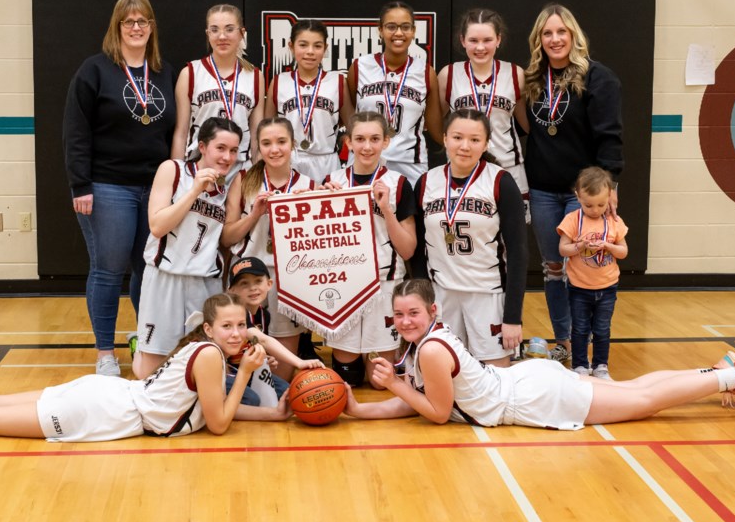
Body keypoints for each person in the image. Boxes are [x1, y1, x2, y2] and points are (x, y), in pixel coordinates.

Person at [344, 280, 735, 429]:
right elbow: (417, 404)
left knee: (643, 403)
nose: (404, 321)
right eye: (399, 314)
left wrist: (396, 383)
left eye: (413, 313)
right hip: (526, 383)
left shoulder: (432, 351)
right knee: (632, 389)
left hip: (534, 397)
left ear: (432, 311)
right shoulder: (423, 343)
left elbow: (436, 413)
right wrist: (359, 410)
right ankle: (720, 370)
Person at [0, 294, 292, 441]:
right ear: (211, 329)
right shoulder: (214, 357)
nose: (237, 333)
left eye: (241, 325)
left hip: (108, 397)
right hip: (105, 411)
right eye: (228, 326)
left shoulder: (203, 350)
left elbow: (218, 408)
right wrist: (249, 374)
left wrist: (272, 414)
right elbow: (219, 423)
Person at [63, 0, 178, 377]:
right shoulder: (94, 71)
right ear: (117, 26)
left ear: (151, 27)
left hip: (156, 190)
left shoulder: (163, 72)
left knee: (150, 272)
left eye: (142, 21)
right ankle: (105, 354)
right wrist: (81, 185)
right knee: (108, 271)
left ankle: (146, 345)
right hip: (108, 186)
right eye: (128, 21)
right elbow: (75, 133)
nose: (136, 28)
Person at [521, 4, 624, 364]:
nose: (555, 39)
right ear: (539, 40)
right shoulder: (532, 80)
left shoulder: (599, 78)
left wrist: (609, 186)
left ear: (574, 35)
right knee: (553, 266)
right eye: (547, 33)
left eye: (561, 31)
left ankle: (591, 343)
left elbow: (610, 137)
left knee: (585, 265)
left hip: (585, 196)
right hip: (543, 191)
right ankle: (564, 340)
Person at [130, 117, 243, 379]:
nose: (227, 157)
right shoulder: (174, 170)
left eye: (234, 150)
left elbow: (226, 241)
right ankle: (140, 349)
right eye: (221, 148)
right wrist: (193, 192)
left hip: (205, 282)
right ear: (202, 147)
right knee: (149, 374)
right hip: (165, 276)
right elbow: (157, 226)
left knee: (202, 365)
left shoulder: (230, 186)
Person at [413, 109, 527, 367]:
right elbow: (418, 249)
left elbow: (518, 253)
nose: (465, 146)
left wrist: (512, 318)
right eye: (457, 137)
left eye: (475, 140)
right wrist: (424, 299)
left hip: (487, 294)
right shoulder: (426, 182)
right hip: (442, 295)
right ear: (444, 139)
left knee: (496, 384)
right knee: (444, 376)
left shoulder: (501, 181)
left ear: (486, 143)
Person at [322, 112, 417, 387]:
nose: (367, 147)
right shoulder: (332, 180)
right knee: (346, 379)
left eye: (375, 139)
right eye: (360, 139)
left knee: (379, 382)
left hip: (383, 284)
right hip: (344, 287)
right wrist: (323, 202)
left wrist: (386, 208)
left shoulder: (398, 184)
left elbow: (408, 250)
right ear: (348, 142)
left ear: (386, 142)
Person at [221, 117, 315, 380]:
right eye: (266, 143)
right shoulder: (243, 180)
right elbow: (227, 238)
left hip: (290, 277)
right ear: (258, 147)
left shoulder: (307, 186)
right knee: (242, 356)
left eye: (281, 142)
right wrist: (254, 215)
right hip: (249, 275)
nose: (274, 149)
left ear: (293, 144)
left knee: (282, 374)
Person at [438, 8, 530, 221]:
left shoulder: (516, 74)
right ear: (463, 41)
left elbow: (526, 124)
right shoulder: (448, 75)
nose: (480, 47)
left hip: (508, 167)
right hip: (462, 168)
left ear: (498, 39)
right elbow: (435, 123)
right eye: (473, 40)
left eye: (487, 40)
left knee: (510, 238)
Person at [347, 0, 442, 181]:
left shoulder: (425, 71)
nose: (398, 33)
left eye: (405, 27)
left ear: (413, 31)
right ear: (380, 30)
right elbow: (350, 114)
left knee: (410, 210)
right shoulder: (360, 67)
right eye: (391, 26)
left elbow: (434, 127)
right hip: (364, 160)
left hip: (410, 164)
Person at [173, 4, 265, 180]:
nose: (222, 36)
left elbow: (256, 135)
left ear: (242, 33)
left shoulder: (254, 76)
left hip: (240, 171)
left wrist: (257, 176)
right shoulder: (191, 73)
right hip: (200, 168)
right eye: (215, 30)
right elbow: (181, 132)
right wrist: (178, 178)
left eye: (229, 29)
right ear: (208, 34)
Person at [558, 167, 629, 380]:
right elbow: (563, 249)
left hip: (607, 287)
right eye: (588, 205)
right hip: (579, 287)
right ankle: (580, 365)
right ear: (578, 197)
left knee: (602, 329)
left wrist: (609, 246)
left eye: (601, 204)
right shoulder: (573, 219)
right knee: (579, 329)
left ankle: (600, 366)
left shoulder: (614, 222)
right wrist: (579, 246)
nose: (595, 210)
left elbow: (623, 252)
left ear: (610, 197)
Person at [225, 257, 325, 405]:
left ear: (269, 284)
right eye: (244, 283)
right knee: (252, 400)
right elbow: (263, 339)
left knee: (288, 392)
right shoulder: (235, 311)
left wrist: (264, 360)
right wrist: (299, 362)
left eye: (258, 281)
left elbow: (251, 346)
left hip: (243, 370)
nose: (253, 288)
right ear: (232, 290)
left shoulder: (263, 314)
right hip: (220, 372)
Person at [266, 19, 352, 183]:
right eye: (303, 45)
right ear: (291, 46)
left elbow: (352, 126)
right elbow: (267, 128)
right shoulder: (278, 82)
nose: (310, 51)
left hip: (327, 159)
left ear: (325, 49)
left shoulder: (338, 81)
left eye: (317, 46)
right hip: (289, 159)